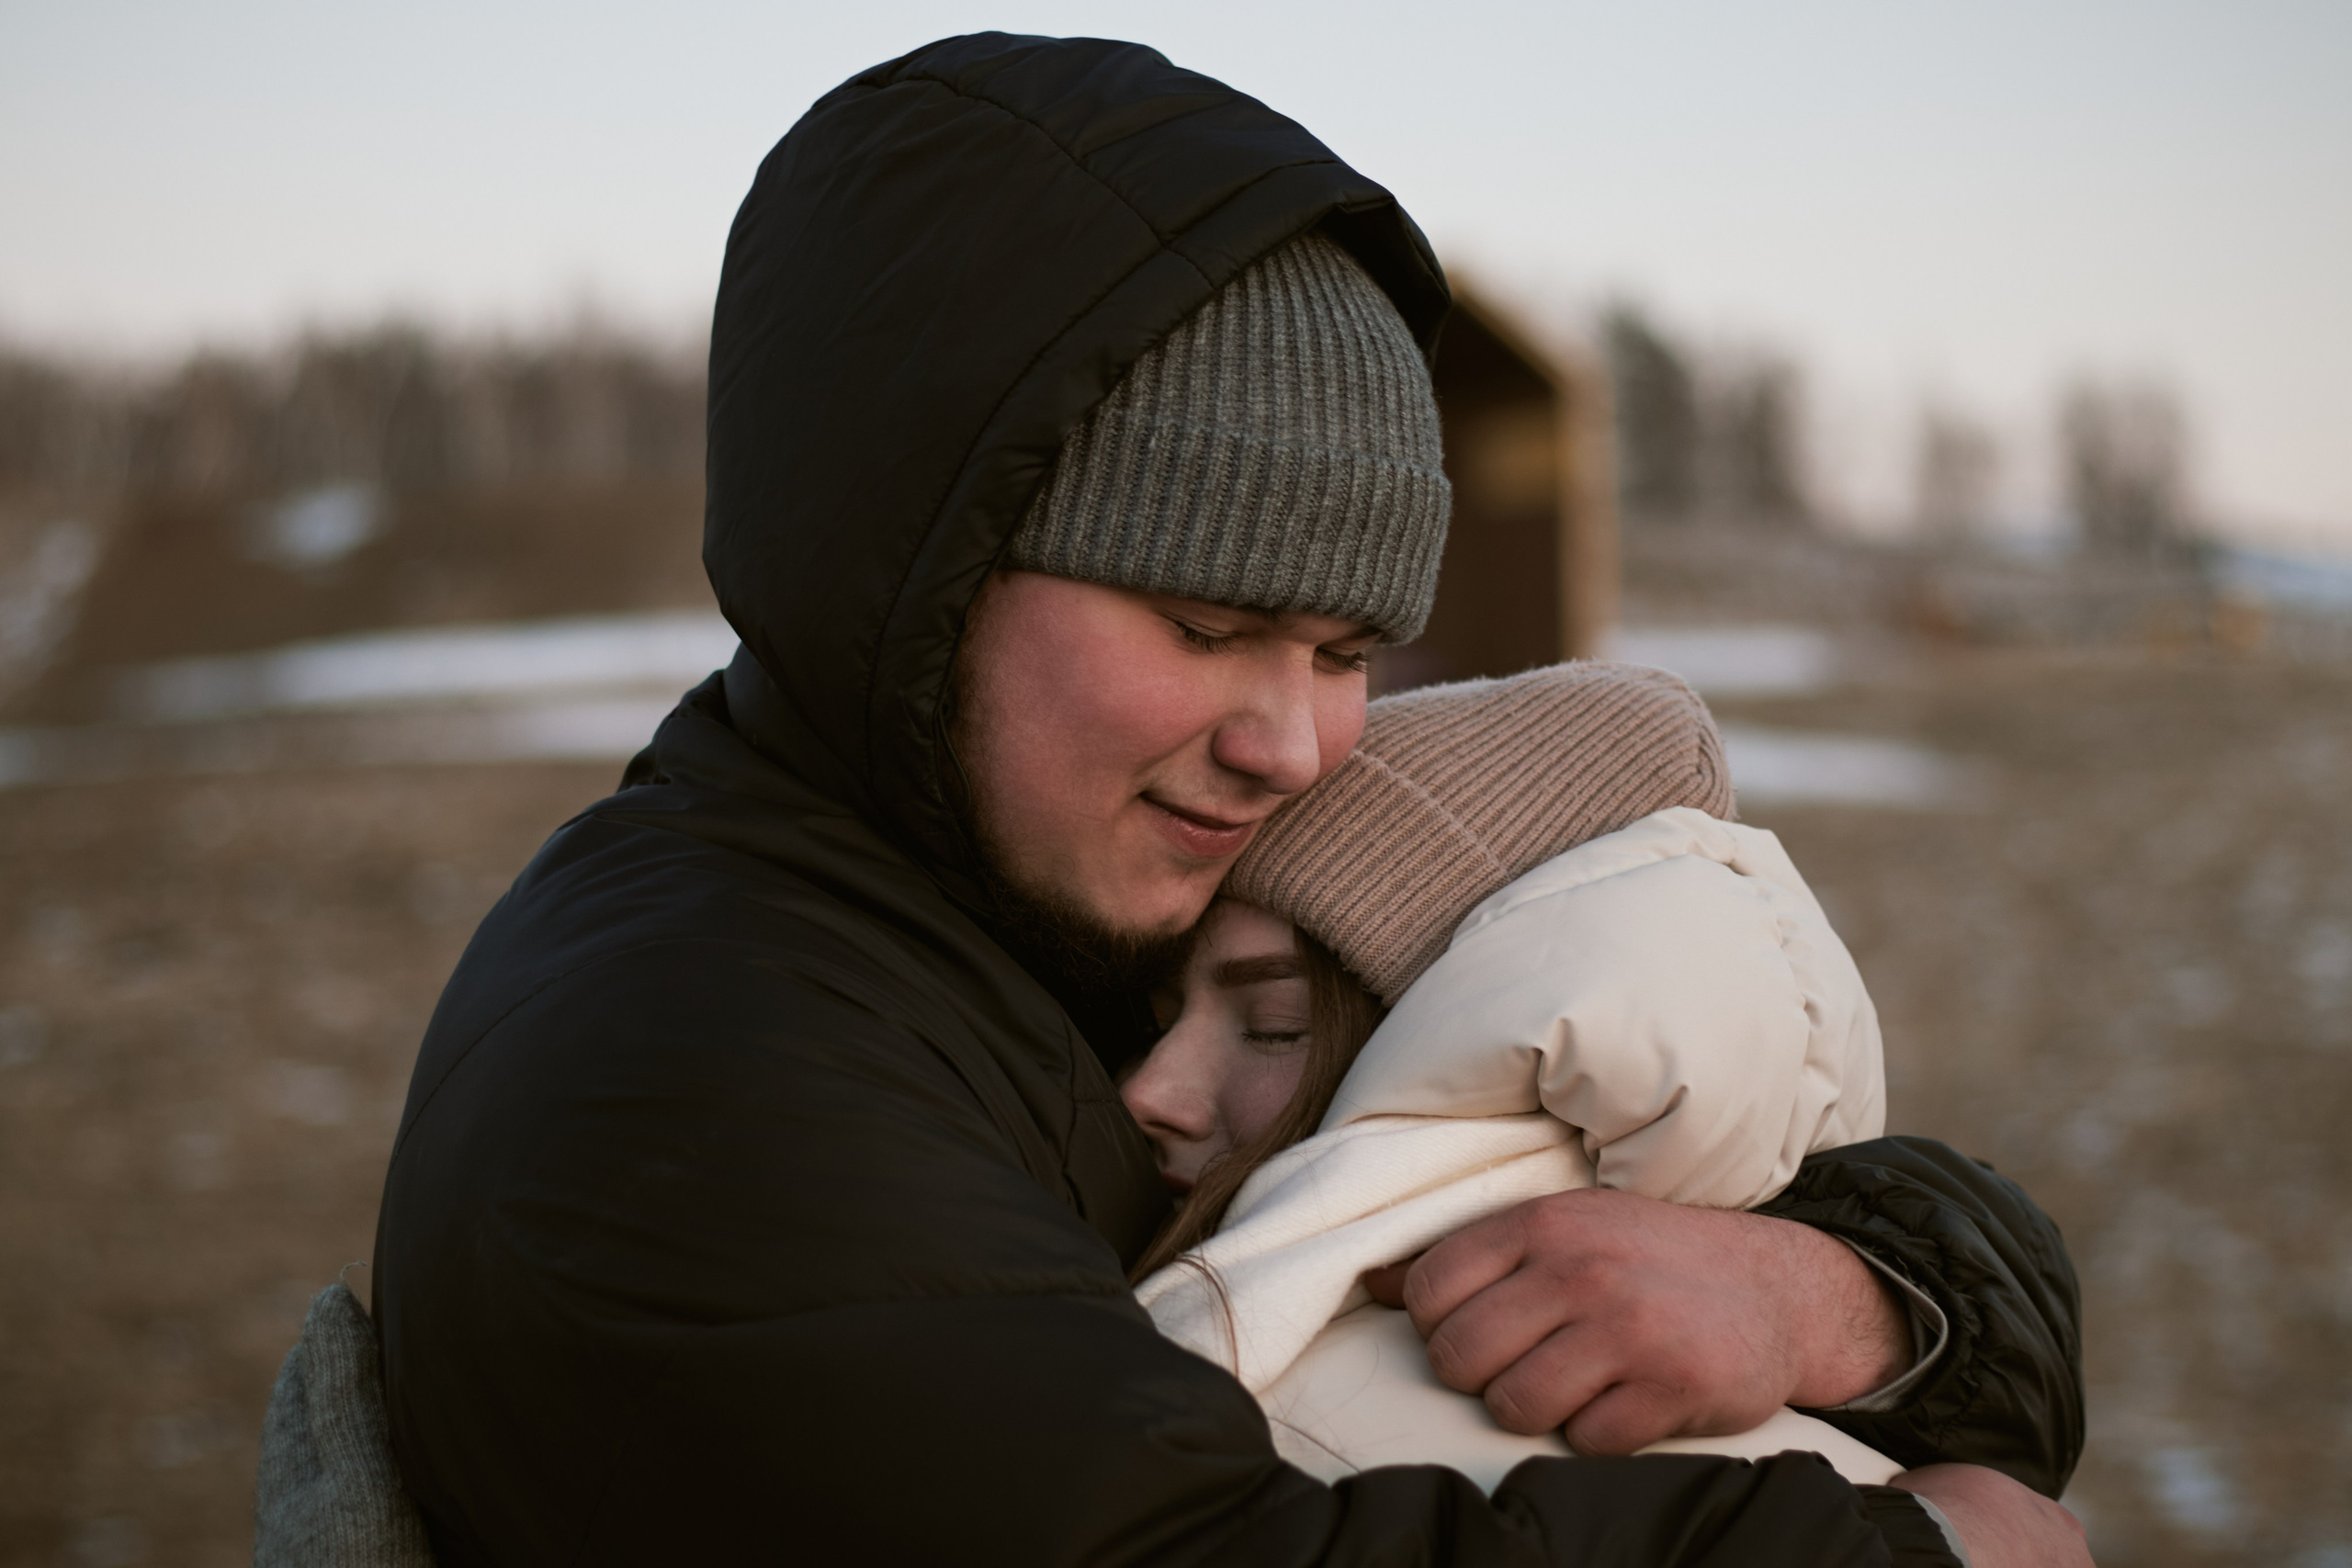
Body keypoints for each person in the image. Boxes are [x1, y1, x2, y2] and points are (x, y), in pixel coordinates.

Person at [368, 32, 2086, 1566]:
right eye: (1206, 626)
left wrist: (1843, 1302)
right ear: (913, 570)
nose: (1296, 740)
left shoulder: (1038, 894)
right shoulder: (701, 1074)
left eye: (1347, 649)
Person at [1118, 663, 1980, 1529]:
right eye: (1157, 1022)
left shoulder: (1269, 1420)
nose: (1148, 1092)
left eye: (1271, 1025)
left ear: (1459, 1044)